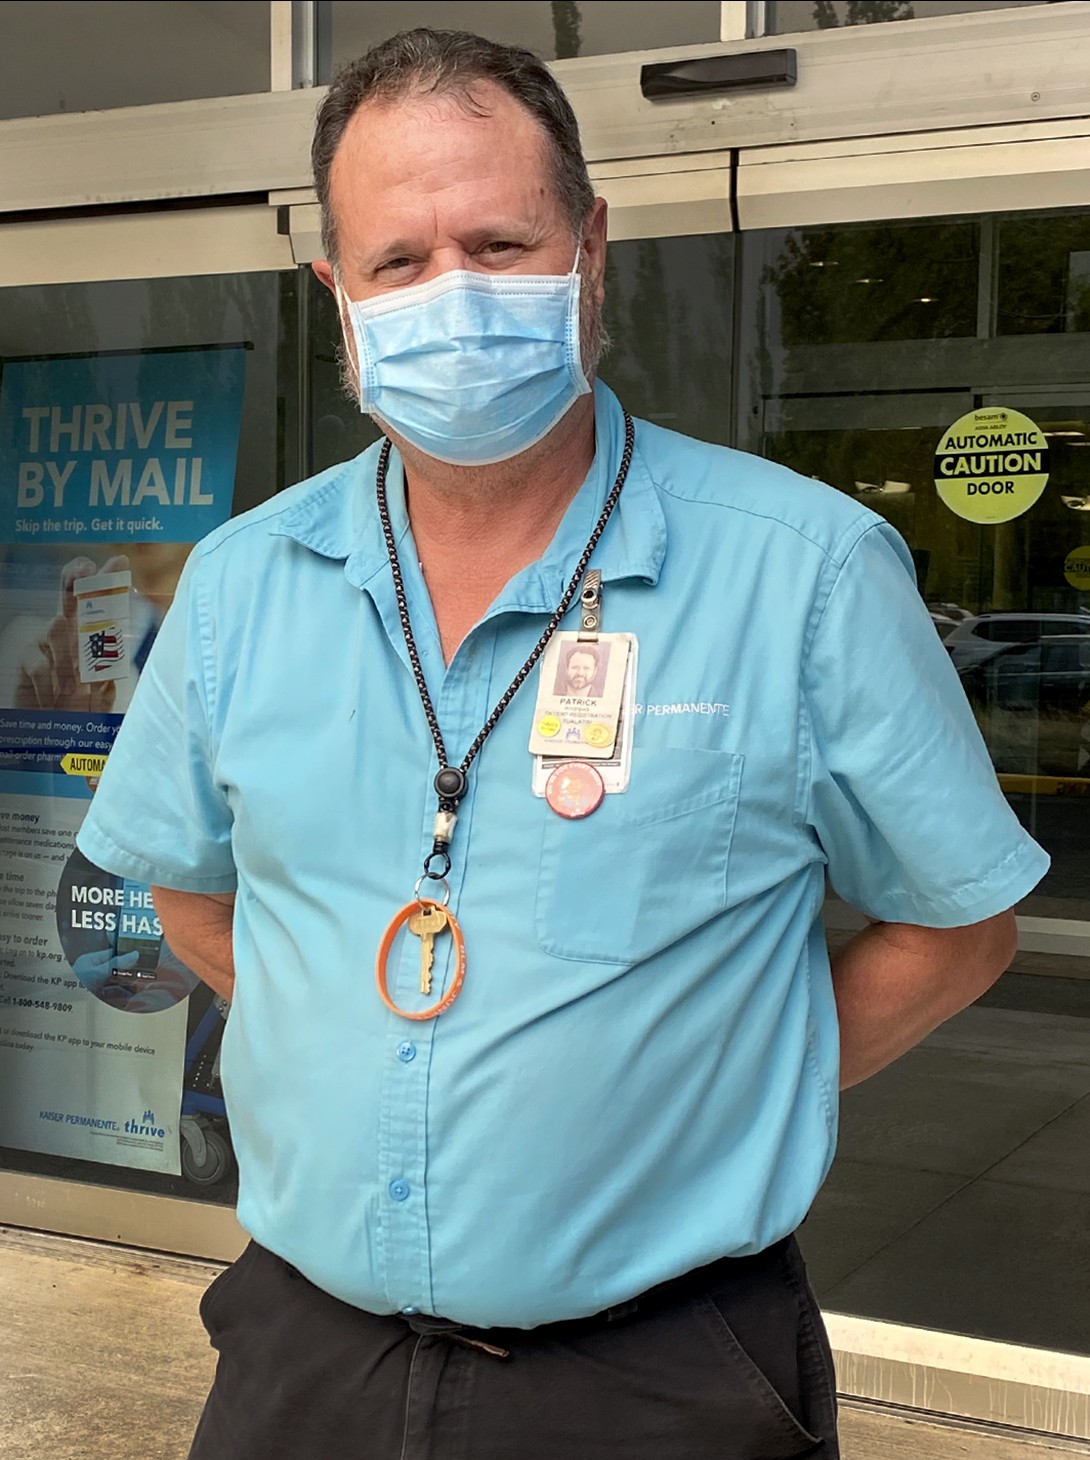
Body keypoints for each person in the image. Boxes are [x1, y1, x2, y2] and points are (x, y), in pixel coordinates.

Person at [76, 28, 1048, 1460]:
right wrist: (350, 1039)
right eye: (399, 261)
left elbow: (957, 927)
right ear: (335, 291)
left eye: (499, 243)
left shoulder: (805, 571)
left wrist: (725, 1095)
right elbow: (190, 891)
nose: (452, 295)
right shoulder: (240, 586)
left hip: (662, 1379)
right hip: (304, 1361)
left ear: (590, 250)